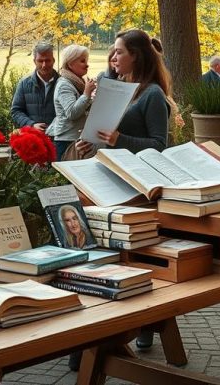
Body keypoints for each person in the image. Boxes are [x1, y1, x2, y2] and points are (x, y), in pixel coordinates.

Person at [74, 28, 173, 353]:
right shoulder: (116, 89)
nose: (113, 57)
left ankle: (142, 325)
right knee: (104, 258)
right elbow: (105, 132)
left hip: (135, 192)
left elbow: (160, 145)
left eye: (119, 51)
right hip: (104, 182)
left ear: (137, 55)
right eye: (113, 52)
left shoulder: (152, 95)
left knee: (134, 261)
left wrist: (119, 140)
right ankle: (98, 335)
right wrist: (91, 141)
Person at [48, 44, 97, 160]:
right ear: (70, 64)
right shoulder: (64, 85)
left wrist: (93, 96)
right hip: (66, 141)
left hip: (76, 139)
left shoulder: (77, 82)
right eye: (82, 61)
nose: (87, 65)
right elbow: (72, 113)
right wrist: (86, 94)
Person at [10, 43, 59, 132]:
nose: (44, 65)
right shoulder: (24, 83)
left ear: (53, 60)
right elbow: (16, 111)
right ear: (34, 61)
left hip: (58, 138)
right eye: (40, 61)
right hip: (33, 137)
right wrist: (31, 125)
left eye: (47, 60)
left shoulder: (62, 83)